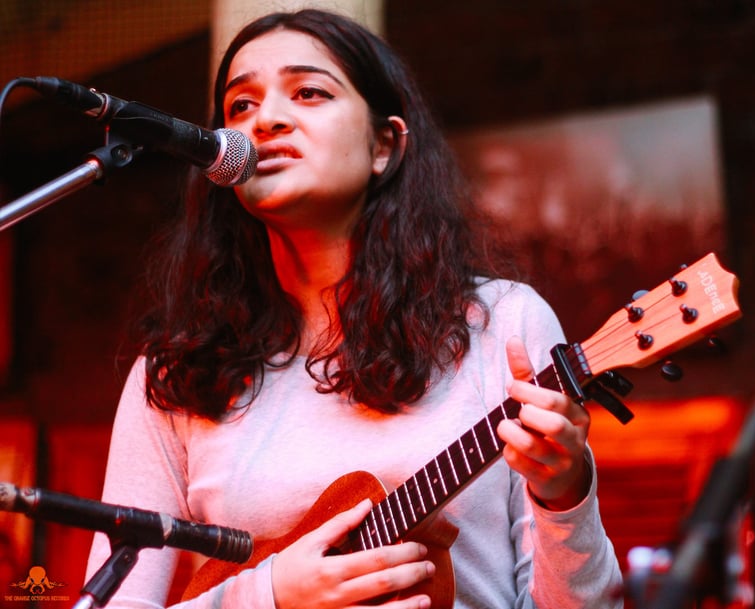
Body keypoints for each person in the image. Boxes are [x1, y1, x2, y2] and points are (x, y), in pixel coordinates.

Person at [86, 8, 623, 609]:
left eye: (309, 92)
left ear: (383, 145)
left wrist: (564, 493)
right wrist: (270, 596)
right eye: (241, 106)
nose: (266, 119)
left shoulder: (503, 325)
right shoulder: (175, 374)